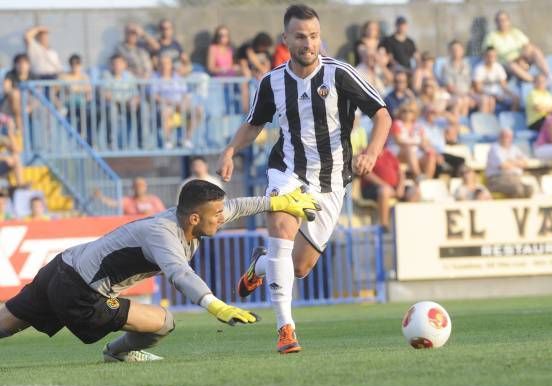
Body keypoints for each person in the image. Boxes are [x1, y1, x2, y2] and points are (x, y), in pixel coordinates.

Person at [217, 4, 391, 353]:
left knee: (298, 267)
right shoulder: (272, 81)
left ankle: (261, 265)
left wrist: (371, 152)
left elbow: (382, 113)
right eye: (300, 36)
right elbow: (254, 124)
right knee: (281, 228)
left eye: (313, 36)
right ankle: (286, 329)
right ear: (286, 39)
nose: (308, 43)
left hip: (331, 182)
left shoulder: (340, 74)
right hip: (287, 171)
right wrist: (230, 151)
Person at [0, 180, 320, 362]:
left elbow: (240, 206)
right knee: (163, 323)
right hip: (82, 293)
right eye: (217, 215)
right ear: (194, 218)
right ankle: (118, 354)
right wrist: (215, 305)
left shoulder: (188, 218)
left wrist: (283, 203)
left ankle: (116, 352)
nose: (223, 218)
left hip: (60, 267)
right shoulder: (164, 235)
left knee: (7, 322)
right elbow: (180, 275)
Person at [361, 147, 419, 231]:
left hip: (395, 187)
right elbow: (366, 174)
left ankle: (409, 223)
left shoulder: (389, 153)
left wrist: (400, 187)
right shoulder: (365, 154)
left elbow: (400, 172)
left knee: (415, 192)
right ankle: (384, 226)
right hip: (372, 188)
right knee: (384, 191)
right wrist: (385, 185)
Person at [482, 10, 550, 82]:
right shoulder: (491, 37)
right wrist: (516, 61)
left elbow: (528, 45)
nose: (502, 23)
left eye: (504, 20)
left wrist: (521, 60)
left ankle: (548, 76)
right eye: (500, 20)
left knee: (536, 51)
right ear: (496, 22)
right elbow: (489, 54)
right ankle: (535, 81)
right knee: (512, 65)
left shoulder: (515, 32)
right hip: (506, 64)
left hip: (522, 60)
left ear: (509, 21)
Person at [151, 54, 201, 149]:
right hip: (166, 105)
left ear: (171, 65)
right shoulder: (154, 77)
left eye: (167, 63)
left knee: (199, 110)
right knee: (165, 112)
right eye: (162, 63)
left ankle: (187, 139)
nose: (165, 66)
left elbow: (185, 94)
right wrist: (169, 102)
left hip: (180, 105)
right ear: (159, 65)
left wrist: (184, 103)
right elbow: (154, 95)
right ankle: (168, 141)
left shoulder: (178, 77)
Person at [389, 101, 436, 180]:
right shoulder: (396, 124)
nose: (407, 113)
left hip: (414, 153)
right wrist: (418, 143)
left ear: (415, 114)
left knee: (430, 154)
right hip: (397, 151)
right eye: (404, 111)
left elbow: (425, 141)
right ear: (400, 112)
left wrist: (426, 147)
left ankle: (427, 180)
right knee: (409, 149)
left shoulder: (418, 126)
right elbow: (399, 141)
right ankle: (418, 176)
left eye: (411, 111)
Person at [485, 129, 533, 198]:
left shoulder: (514, 148)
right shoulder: (495, 148)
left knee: (529, 189)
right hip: (497, 180)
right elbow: (503, 165)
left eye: (509, 137)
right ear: (500, 137)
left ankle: (520, 207)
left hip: (515, 179)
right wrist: (517, 162)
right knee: (517, 189)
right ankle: (515, 207)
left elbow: (525, 163)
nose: (506, 139)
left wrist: (510, 161)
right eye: (504, 136)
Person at [473, 46, 520, 112]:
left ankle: (512, 119)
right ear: (485, 56)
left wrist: (511, 94)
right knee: (490, 100)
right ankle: (487, 120)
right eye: (489, 56)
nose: (491, 58)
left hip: (499, 93)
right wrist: (492, 95)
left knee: (516, 98)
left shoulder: (498, 67)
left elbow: (504, 85)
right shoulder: (479, 68)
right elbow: (478, 88)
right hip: (486, 94)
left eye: (493, 56)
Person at [441, 40, 479, 117]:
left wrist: (471, 93)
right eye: (454, 50)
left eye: (458, 49)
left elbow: (472, 83)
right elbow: (450, 88)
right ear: (450, 51)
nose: (456, 52)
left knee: (487, 100)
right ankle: (459, 124)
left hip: (468, 93)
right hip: (454, 95)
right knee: (463, 100)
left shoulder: (467, 65)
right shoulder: (446, 67)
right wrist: (465, 95)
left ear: (462, 51)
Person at [2, 53, 35, 131]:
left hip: (29, 104)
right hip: (11, 105)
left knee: (40, 101)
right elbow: (6, 89)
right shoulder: (10, 74)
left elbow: (39, 93)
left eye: (24, 63)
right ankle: (20, 131)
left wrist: (30, 107)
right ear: (15, 64)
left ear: (29, 64)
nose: (22, 65)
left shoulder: (33, 76)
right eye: (19, 63)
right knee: (15, 95)